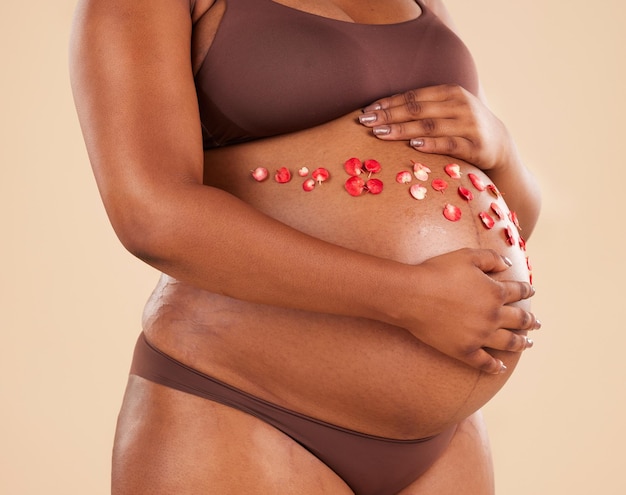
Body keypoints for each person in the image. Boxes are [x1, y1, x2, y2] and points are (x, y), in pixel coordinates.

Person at [69, 0, 541, 493]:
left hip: (445, 440)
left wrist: (502, 149)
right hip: (242, 406)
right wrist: (407, 296)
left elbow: (513, 219)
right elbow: (152, 216)